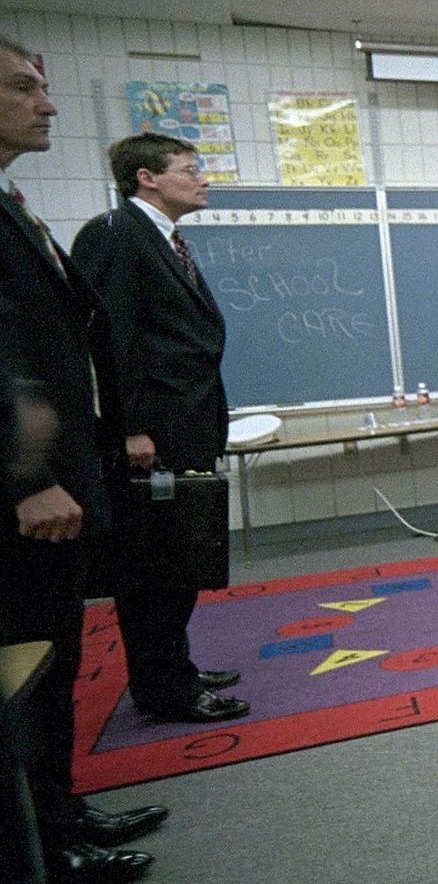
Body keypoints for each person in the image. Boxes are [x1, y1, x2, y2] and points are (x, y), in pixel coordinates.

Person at [0, 34, 160, 882]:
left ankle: (59, 812)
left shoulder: (13, 204)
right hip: (26, 495)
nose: (49, 104)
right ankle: (39, 848)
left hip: (62, 477)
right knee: (25, 670)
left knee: (55, 659)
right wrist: (25, 477)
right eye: (24, 87)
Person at [71, 134, 249, 725]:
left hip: (187, 418)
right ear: (147, 177)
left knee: (179, 558)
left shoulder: (162, 238)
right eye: (190, 170)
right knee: (153, 565)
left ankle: (174, 669)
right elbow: (109, 339)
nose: (203, 180)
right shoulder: (115, 234)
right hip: (152, 431)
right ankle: (165, 688)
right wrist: (131, 429)